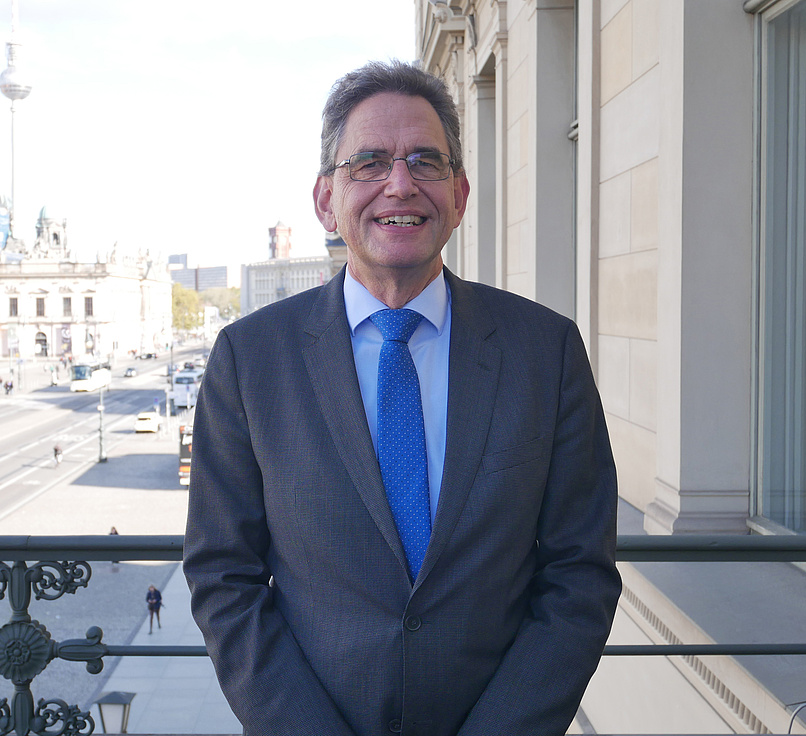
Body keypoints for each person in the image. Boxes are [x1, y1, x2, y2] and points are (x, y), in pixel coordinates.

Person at [183, 60, 621, 736]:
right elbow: (223, 576)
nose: (400, 183)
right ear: (326, 199)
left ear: (460, 194)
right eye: (368, 163)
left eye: (425, 160)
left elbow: (579, 575)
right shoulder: (249, 361)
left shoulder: (546, 351)